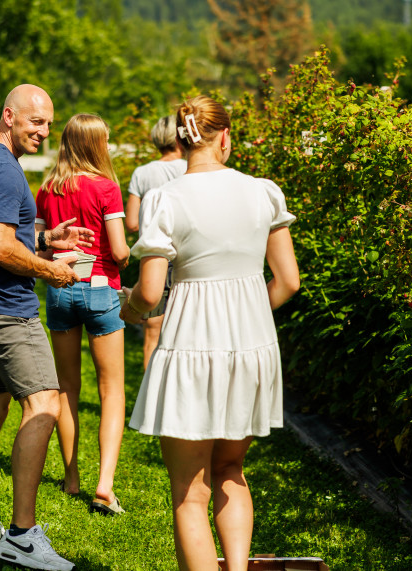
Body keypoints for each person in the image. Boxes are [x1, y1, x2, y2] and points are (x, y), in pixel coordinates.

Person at [119, 96, 300, 571]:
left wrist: (130, 309)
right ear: (225, 137)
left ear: (181, 141)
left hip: (191, 345)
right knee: (230, 470)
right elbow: (288, 281)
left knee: (189, 492)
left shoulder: (164, 198)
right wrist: (247, 314)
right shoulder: (264, 191)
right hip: (252, 347)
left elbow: (152, 291)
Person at [0, 84, 94, 571]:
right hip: (5, 310)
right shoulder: (1, 169)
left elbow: (0, 231)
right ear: (9, 116)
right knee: (46, 405)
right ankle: (22, 535)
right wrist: (55, 269)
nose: (44, 132)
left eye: (49, 124)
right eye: (36, 122)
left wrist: (44, 236)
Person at [35, 113, 129, 515]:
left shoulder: (47, 189)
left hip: (60, 289)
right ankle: (104, 485)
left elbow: (37, 249)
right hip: (101, 289)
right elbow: (121, 251)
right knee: (111, 391)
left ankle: (71, 478)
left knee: (67, 388)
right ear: (97, 144)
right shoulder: (107, 188)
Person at [124, 115, 186, 369]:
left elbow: (131, 223)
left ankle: (150, 395)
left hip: (156, 258)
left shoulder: (143, 173)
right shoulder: (190, 168)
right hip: (185, 254)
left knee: (152, 332)